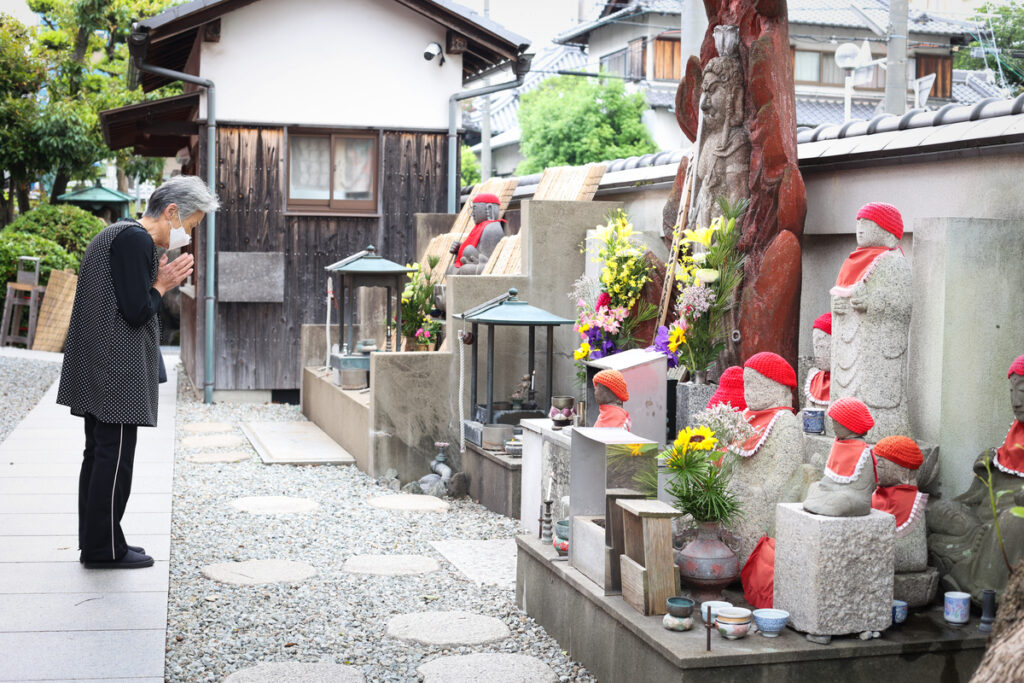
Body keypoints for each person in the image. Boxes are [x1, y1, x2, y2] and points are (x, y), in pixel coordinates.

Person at [57, 175, 219, 569]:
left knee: (98, 455)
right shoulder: (136, 239)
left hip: (100, 362)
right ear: (171, 211)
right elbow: (136, 310)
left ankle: (101, 541)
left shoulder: (117, 233)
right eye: (191, 225)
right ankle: (104, 549)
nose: (189, 235)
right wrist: (162, 284)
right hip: (116, 368)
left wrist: (158, 282)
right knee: (114, 458)